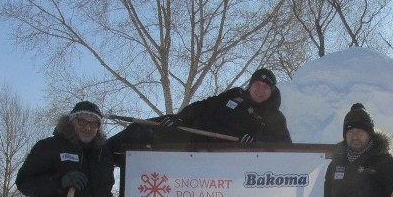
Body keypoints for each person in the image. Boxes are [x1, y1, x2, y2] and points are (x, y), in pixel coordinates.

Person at [107, 67, 291, 152]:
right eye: (257, 84)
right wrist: (180, 118)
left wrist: (256, 141)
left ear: (271, 91)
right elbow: (205, 105)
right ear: (250, 85)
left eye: (265, 87)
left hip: (222, 153)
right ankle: (103, 152)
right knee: (145, 130)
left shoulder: (274, 117)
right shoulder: (235, 95)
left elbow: (284, 146)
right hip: (194, 133)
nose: (260, 89)